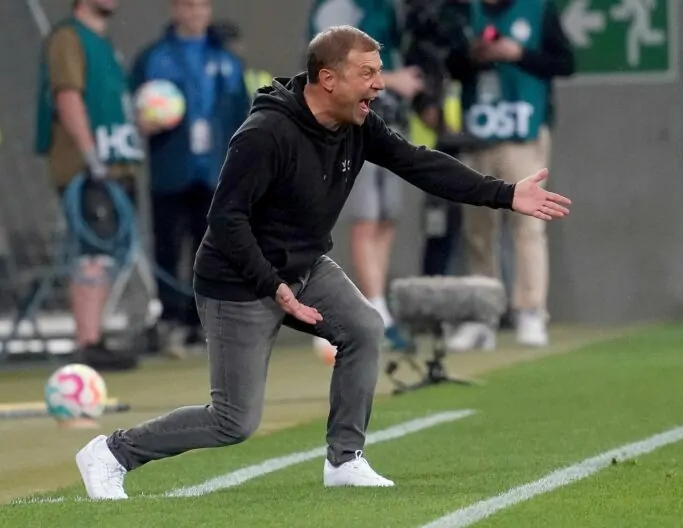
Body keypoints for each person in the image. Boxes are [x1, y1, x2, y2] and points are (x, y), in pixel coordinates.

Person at [75, 25, 571, 499]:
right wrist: (273, 286)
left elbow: (419, 163)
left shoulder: (359, 124)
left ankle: (344, 459)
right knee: (232, 421)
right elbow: (225, 220)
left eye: (379, 72)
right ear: (328, 79)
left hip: (306, 267)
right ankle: (112, 453)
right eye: (367, 73)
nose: (379, 84)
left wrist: (506, 194)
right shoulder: (265, 133)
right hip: (240, 281)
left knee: (364, 329)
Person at [443, 0, 575, 349]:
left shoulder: (538, 9)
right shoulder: (465, 12)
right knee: (477, 230)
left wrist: (519, 54)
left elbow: (565, 63)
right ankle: (482, 315)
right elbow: (448, 65)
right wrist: (474, 55)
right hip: (477, 133)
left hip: (524, 133)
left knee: (528, 227)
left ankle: (531, 311)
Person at [130, 0, 250, 355]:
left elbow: (242, 114)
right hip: (171, 169)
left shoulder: (226, 59)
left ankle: (203, 324)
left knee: (211, 249)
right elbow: (132, 106)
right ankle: (170, 321)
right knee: (168, 245)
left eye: (202, 6)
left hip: (215, 170)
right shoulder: (153, 58)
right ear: (175, 10)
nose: (196, 13)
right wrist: (142, 121)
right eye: (188, 5)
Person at [307, 0, 425, 353]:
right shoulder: (336, 7)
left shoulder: (386, 8)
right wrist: (394, 81)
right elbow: (332, 70)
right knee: (366, 218)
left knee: (386, 217)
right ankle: (375, 310)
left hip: (390, 121)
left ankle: (377, 306)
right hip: (352, 126)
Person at [34, 0, 144, 369]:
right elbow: (67, 96)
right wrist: (90, 155)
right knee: (92, 252)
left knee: (107, 252)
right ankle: (87, 340)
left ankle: (93, 335)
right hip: (87, 170)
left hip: (115, 165)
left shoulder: (105, 44)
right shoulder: (68, 38)